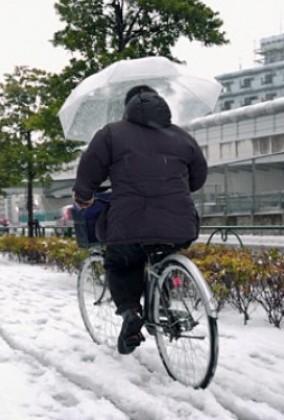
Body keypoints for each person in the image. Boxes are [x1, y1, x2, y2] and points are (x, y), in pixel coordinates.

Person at [72, 84, 208, 355]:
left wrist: (84, 195)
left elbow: (90, 169)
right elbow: (198, 178)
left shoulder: (111, 134)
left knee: (121, 262)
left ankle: (131, 312)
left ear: (127, 107)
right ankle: (163, 299)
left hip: (129, 223)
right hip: (179, 222)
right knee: (162, 255)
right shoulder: (182, 137)